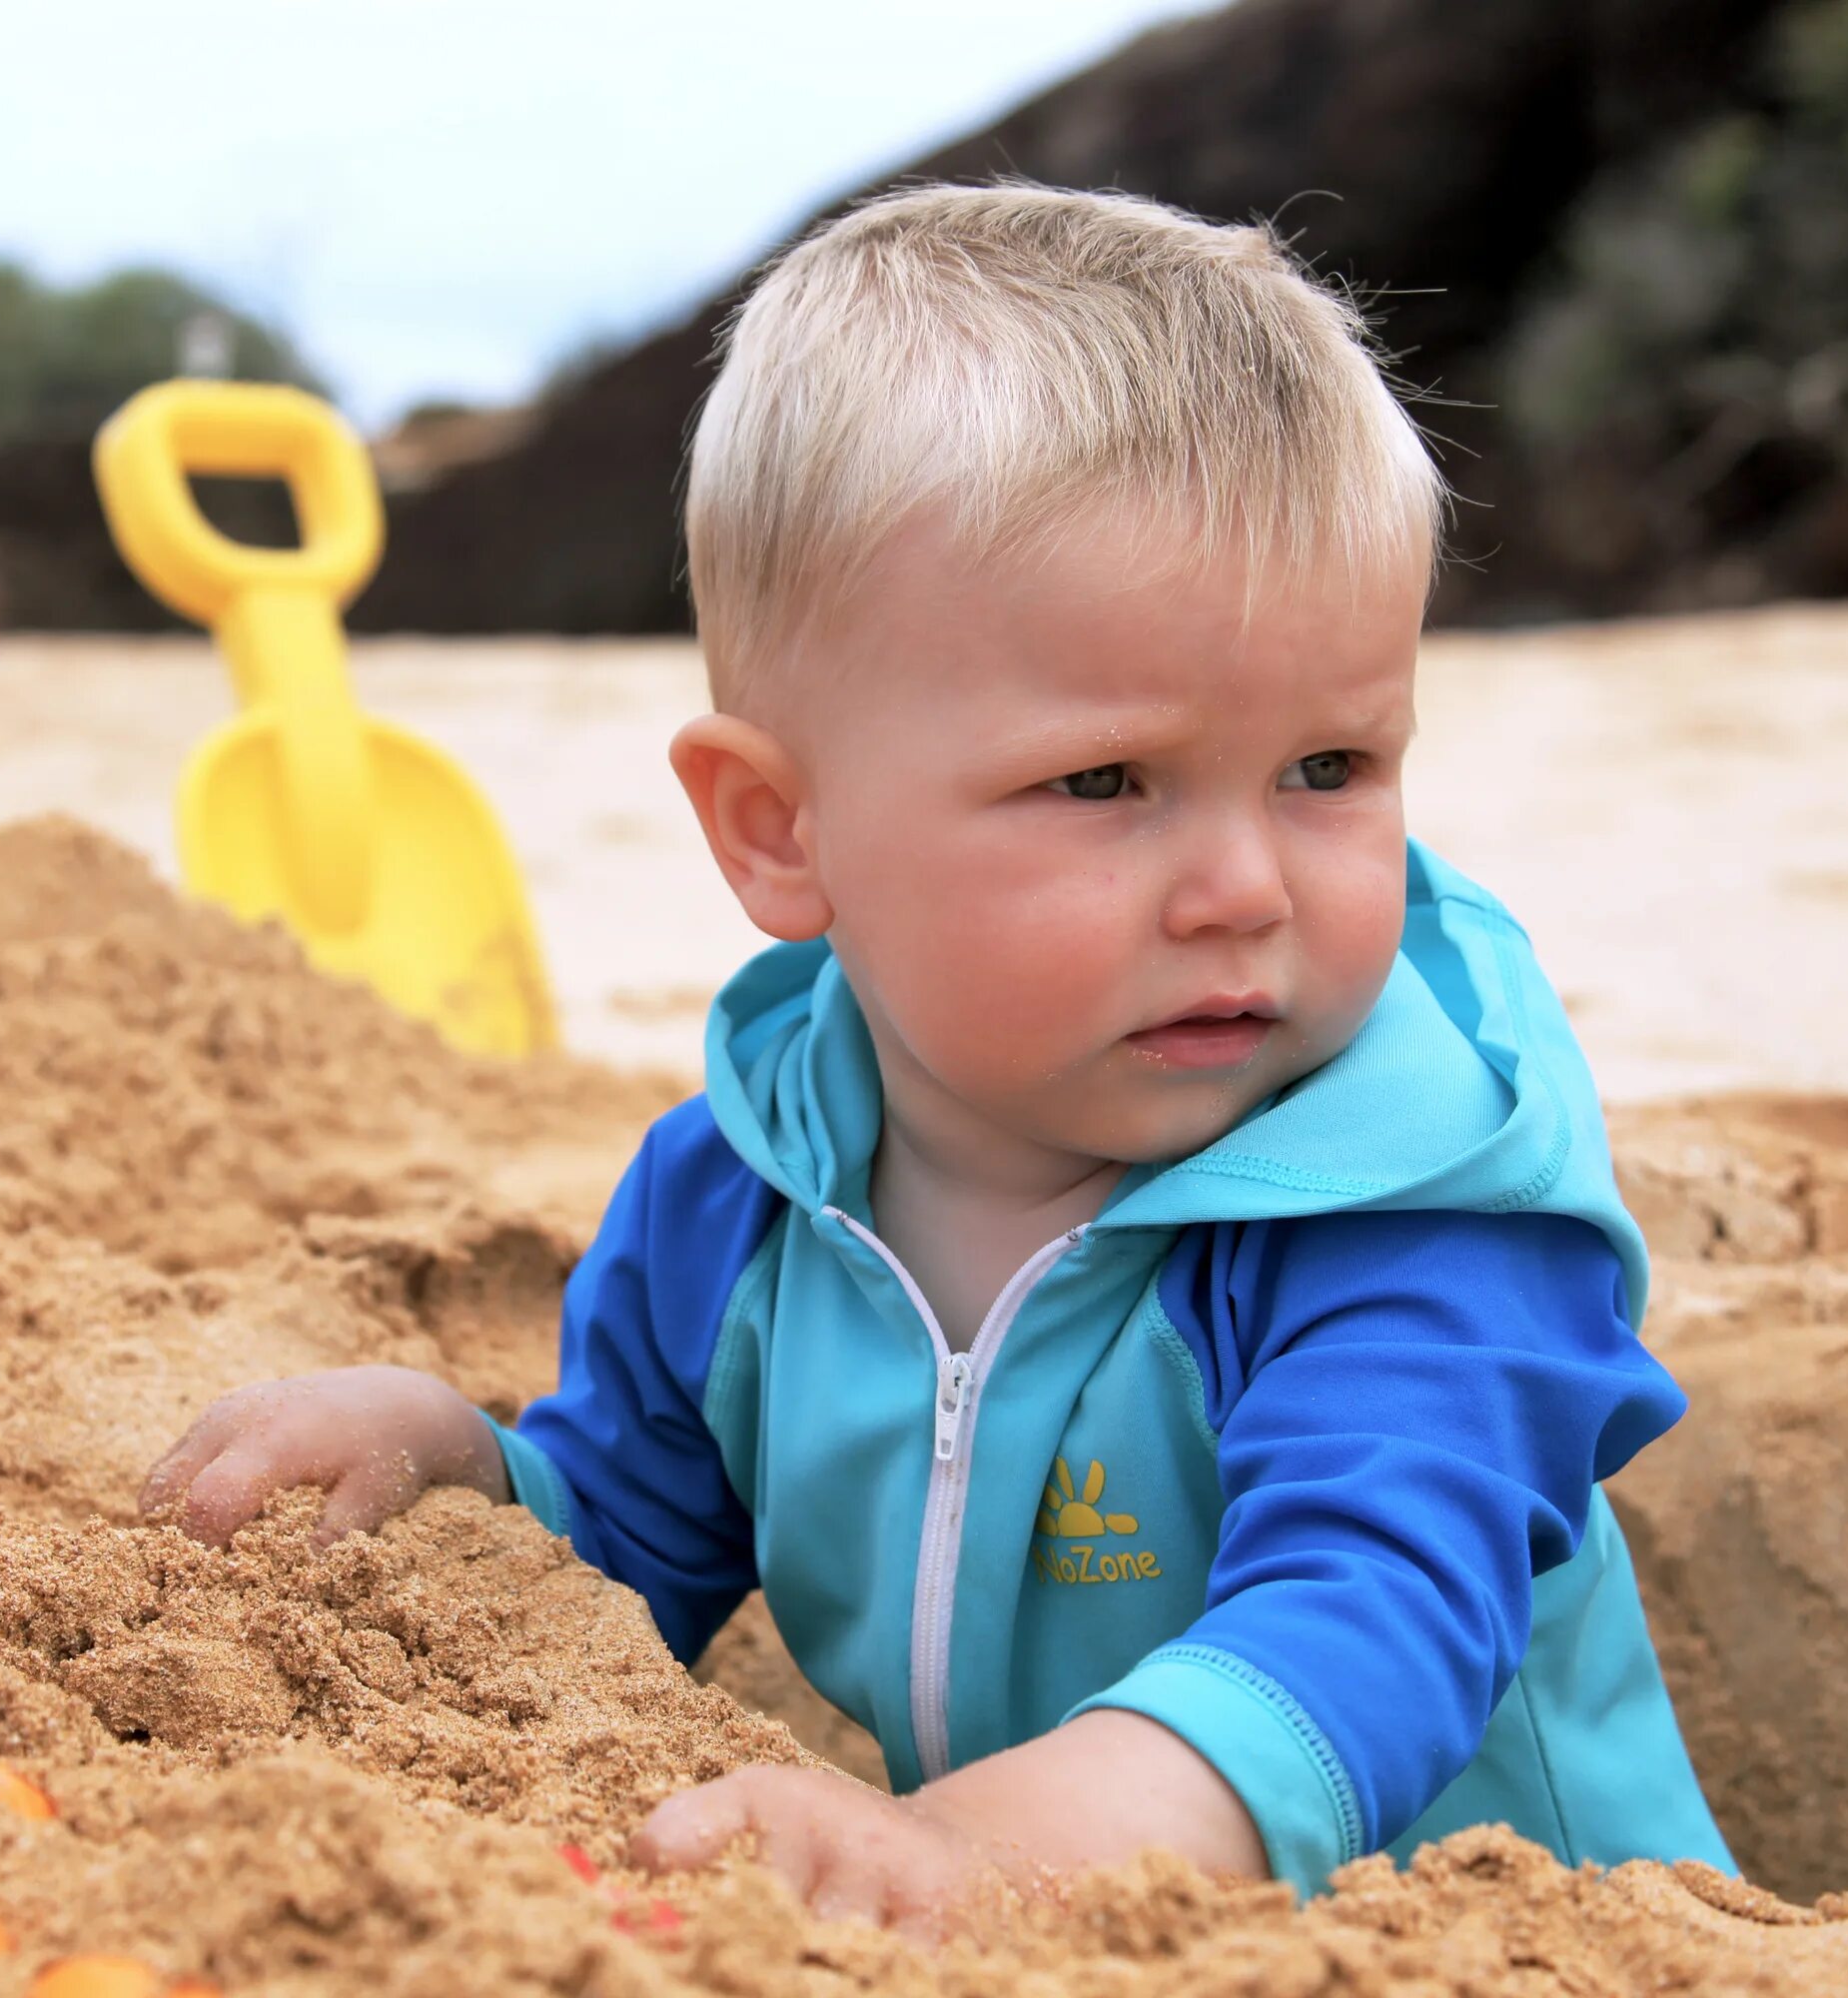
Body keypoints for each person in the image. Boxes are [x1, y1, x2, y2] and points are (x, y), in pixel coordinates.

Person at [139, 180, 1731, 1930]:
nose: (1245, 886)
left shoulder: (1412, 1207)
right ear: (780, 832)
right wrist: (468, 1462)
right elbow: (630, 1553)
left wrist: (977, 1849)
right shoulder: (737, 1202)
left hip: (1503, 1939)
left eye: (1331, 768)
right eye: (1107, 782)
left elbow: (1366, 1629)